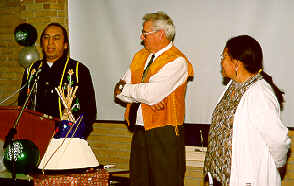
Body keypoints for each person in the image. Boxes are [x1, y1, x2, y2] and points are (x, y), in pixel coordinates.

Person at [114, 11, 193, 186]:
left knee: (166, 181)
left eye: (145, 33)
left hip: (165, 132)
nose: (141, 37)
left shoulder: (177, 61)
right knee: (138, 181)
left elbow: (150, 94)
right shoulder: (139, 56)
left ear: (160, 34)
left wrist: (131, 90)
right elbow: (118, 91)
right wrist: (141, 93)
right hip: (140, 131)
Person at [204, 35, 291, 186]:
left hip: (245, 178)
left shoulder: (259, 93)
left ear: (236, 63)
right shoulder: (233, 85)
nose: (221, 62)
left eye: (224, 57)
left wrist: (274, 165)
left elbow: (279, 140)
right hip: (221, 177)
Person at [18, 23, 97, 139]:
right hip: (35, 137)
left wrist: (74, 133)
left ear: (65, 45)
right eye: (46, 38)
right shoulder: (32, 70)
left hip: (67, 139)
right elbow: (22, 105)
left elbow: (89, 111)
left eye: (56, 38)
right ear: (41, 43)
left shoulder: (78, 70)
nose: (50, 42)